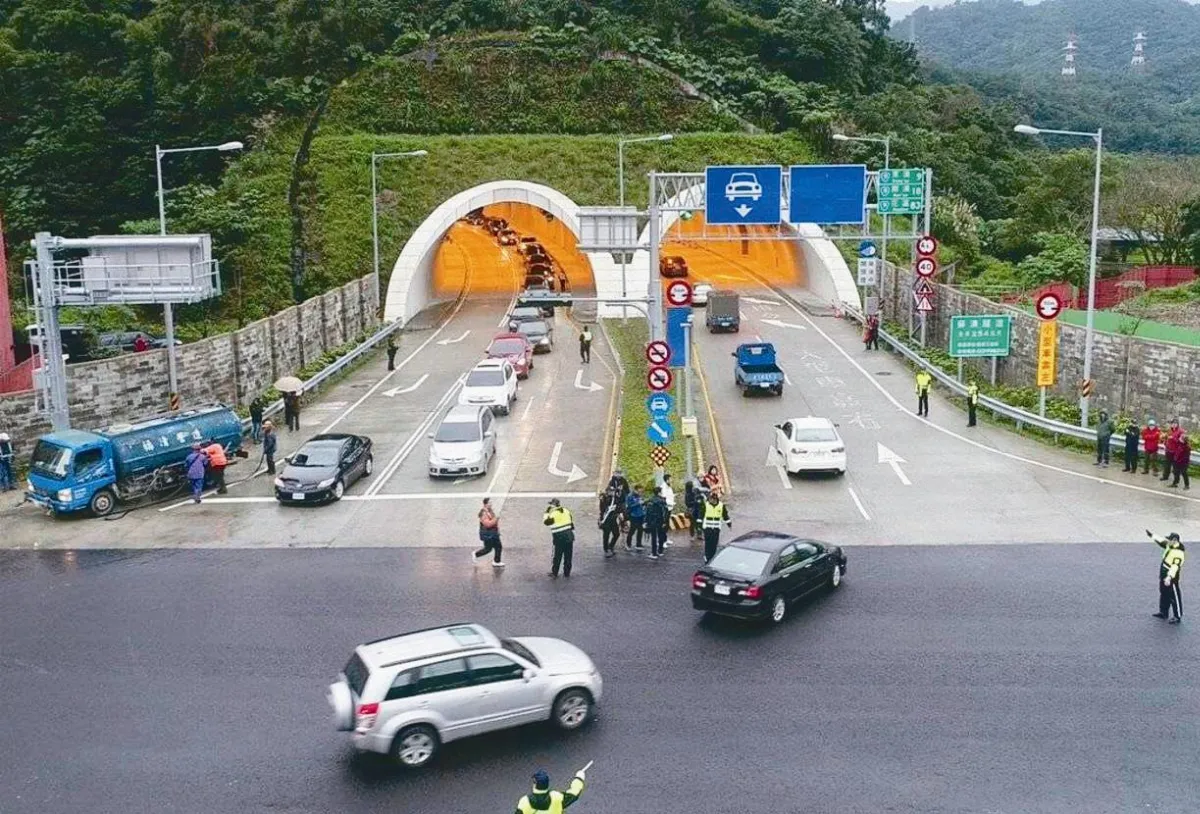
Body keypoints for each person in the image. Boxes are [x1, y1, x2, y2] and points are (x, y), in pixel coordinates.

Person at [1147, 529, 1185, 624]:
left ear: (1175, 540)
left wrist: (1169, 577)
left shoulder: (1178, 553)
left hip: (1171, 577)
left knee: (1174, 596)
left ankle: (1177, 616)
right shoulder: (1170, 545)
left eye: (1170, 539)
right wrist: (1152, 535)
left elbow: (1175, 566)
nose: (1168, 541)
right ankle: (1163, 612)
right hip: (1163, 573)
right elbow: (1161, 542)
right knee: (1163, 593)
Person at [514, 767, 586, 814]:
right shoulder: (556, 797)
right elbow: (574, 794)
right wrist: (579, 777)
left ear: (534, 784)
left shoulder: (524, 802)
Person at [543, 498, 576, 578]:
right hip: (569, 536)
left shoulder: (553, 514)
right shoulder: (566, 510)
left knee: (557, 555)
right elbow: (571, 522)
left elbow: (546, 522)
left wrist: (546, 513)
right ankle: (567, 573)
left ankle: (555, 572)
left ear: (552, 506)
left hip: (559, 538)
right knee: (568, 555)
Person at [701, 490, 732, 563]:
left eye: (711, 499)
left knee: (714, 544)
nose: (709, 500)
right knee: (708, 543)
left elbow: (725, 515)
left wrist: (729, 524)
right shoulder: (706, 505)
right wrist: (699, 526)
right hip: (707, 528)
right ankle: (707, 557)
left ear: (715, 499)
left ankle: (712, 556)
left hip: (716, 529)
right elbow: (701, 515)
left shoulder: (721, 506)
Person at [474, 497, 504, 567]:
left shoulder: (490, 511)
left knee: (495, 547)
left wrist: (497, 530)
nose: (491, 504)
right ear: (485, 504)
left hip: (492, 533)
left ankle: (497, 561)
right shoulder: (484, 513)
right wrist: (496, 520)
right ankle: (476, 554)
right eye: (490, 503)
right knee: (490, 548)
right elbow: (487, 524)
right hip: (488, 534)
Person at [645, 486, 669, 560]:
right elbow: (665, 512)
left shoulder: (650, 501)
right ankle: (660, 551)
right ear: (659, 492)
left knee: (654, 537)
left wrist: (646, 522)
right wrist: (665, 521)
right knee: (661, 535)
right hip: (661, 521)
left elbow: (648, 512)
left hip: (652, 521)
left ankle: (654, 553)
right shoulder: (663, 501)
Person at [599, 491, 623, 557]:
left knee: (616, 534)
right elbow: (602, 509)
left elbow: (619, 507)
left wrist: (619, 514)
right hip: (605, 520)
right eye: (610, 491)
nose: (612, 493)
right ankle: (606, 549)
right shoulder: (604, 499)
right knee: (606, 535)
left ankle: (611, 546)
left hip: (613, 519)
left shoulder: (615, 498)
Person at [624, 485, 645, 551]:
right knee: (632, 530)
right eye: (639, 491)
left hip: (640, 515)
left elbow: (641, 503)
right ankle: (628, 544)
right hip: (633, 515)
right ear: (635, 490)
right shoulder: (630, 496)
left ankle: (638, 544)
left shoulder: (639, 495)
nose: (640, 493)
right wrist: (638, 503)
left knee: (640, 530)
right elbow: (629, 506)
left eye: (641, 492)